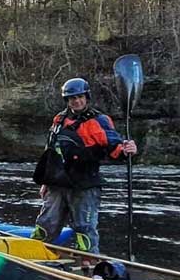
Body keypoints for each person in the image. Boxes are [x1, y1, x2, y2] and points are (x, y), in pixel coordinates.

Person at [32, 78, 136, 254]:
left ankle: (88, 266)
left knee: (84, 229)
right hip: (57, 183)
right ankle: (33, 256)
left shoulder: (100, 120)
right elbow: (51, 150)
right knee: (45, 225)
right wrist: (45, 181)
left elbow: (114, 145)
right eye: (72, 98)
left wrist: (126, 149)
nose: (76, 101)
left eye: (80, 97)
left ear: (86, 97)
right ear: (67, 100)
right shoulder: (59, 119)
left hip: (84, 184)